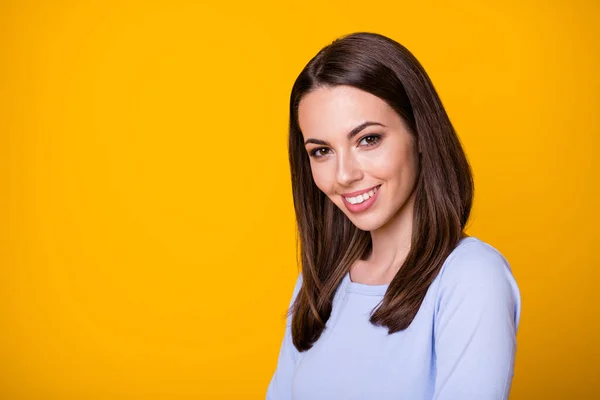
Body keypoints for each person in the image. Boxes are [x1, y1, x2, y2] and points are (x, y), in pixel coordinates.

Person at [266, 32, 521, 400]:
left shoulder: (470, 277)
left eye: (368, 139)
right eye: (321, 150)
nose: (344, 174)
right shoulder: (319, 281)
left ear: (420, 134)